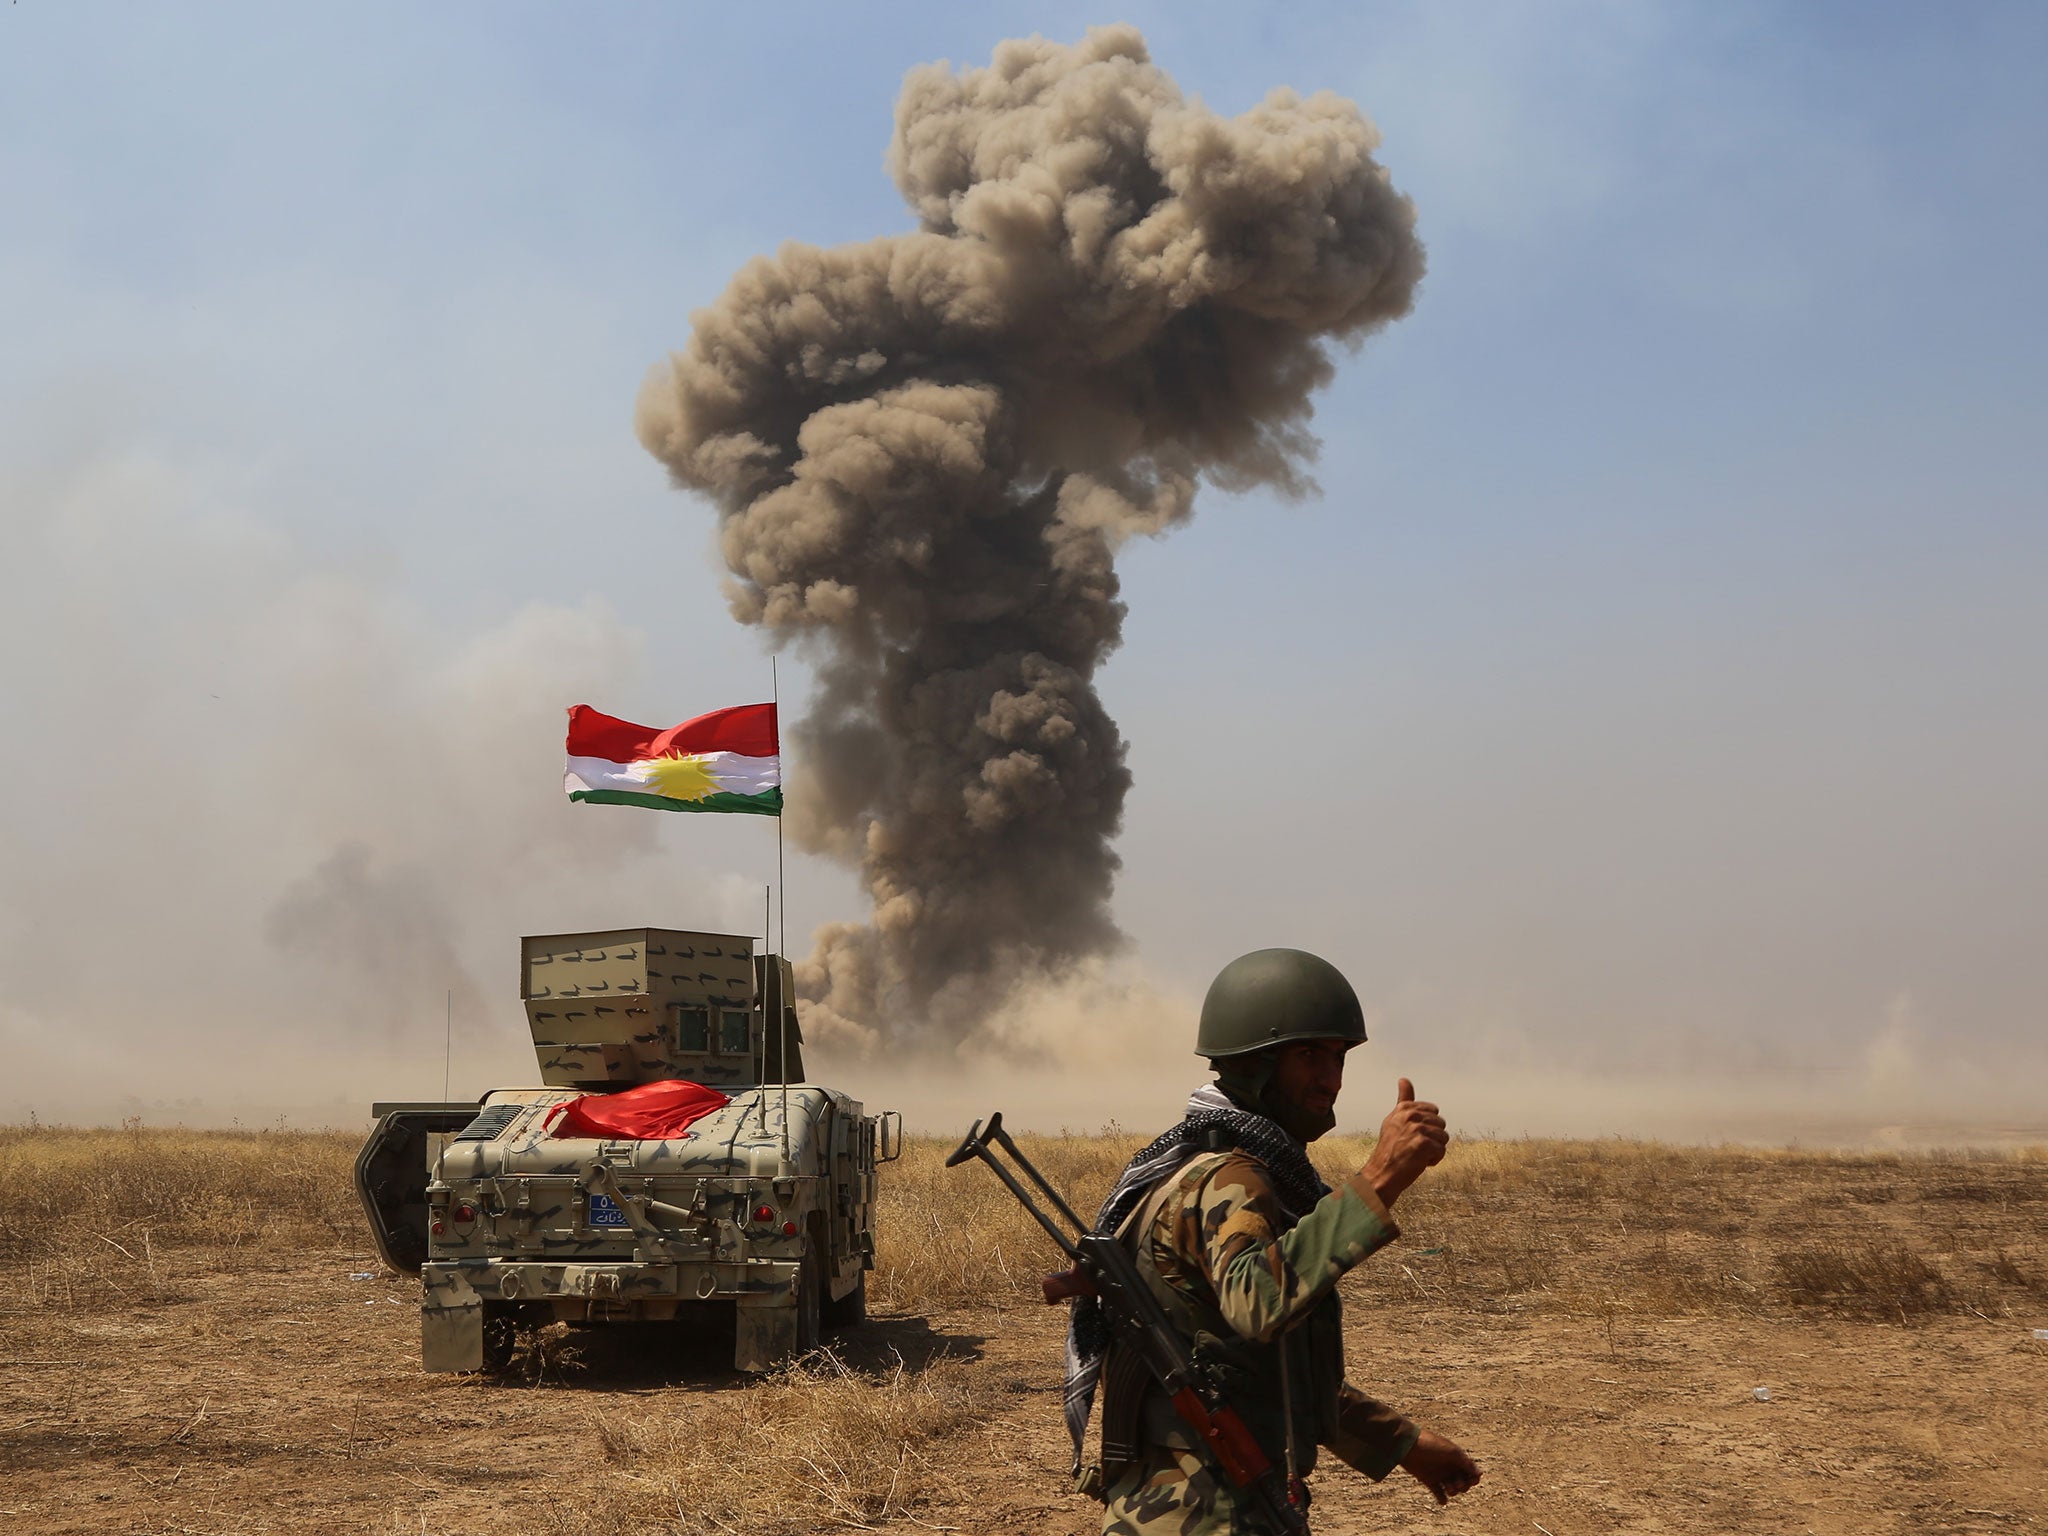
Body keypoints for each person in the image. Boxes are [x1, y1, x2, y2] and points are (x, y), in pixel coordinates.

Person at [1062, 948, 1482, 1533]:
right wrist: (1381, 1179)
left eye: (1338, 1058)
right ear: (1255, 1062)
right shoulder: (1229, 1178)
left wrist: (1403, 1444)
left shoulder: (1202, 1166)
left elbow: (1257, 1370)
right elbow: (1257, 1301)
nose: (1330, 1079)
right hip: (1209, 1515)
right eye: (1308, 1056)